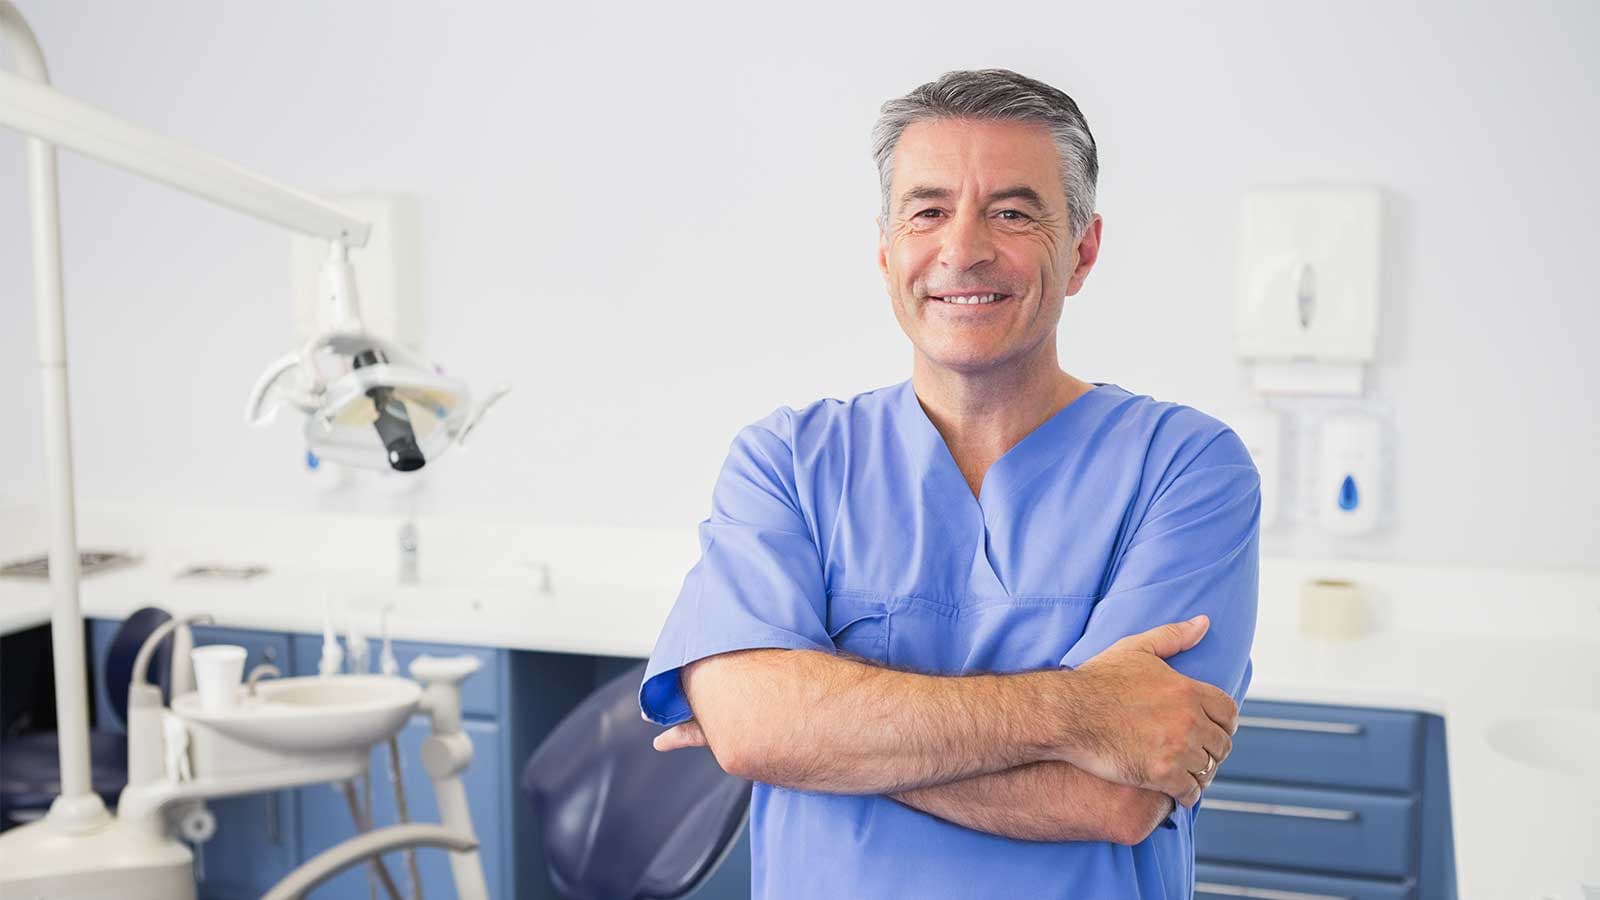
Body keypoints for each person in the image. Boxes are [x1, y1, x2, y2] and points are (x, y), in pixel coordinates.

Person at [640, 68, 1259, 899]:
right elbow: (756, 730)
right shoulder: (787, 460)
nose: (962, 249)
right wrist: (1082, 712)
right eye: (928, 210)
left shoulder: (1184, 468)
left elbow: (1116, 796)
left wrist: (817, 732)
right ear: (886, 249)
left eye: (1011, 211)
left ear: (1083, 249)